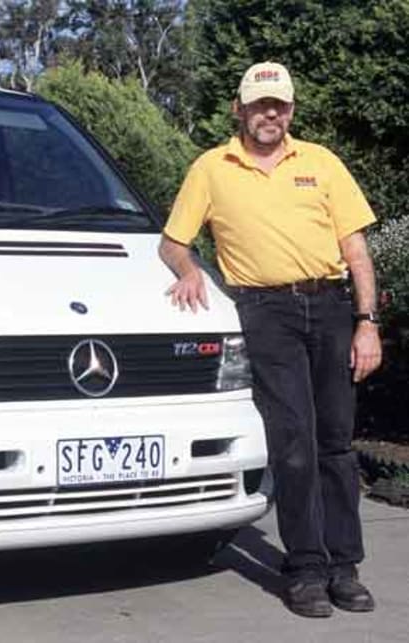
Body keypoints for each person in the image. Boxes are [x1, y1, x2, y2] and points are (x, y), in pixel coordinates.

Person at [158, 62, 382, 618]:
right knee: (293, 441)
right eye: (259, 105)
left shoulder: (322, 163)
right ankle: (305, 568)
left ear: (291, 110)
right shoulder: (212, 168)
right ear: (240, 109)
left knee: (335, 441)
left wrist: (367, 321)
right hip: (266, 312)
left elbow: (356, 252)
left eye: (278, 105)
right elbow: (171, 242)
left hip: (330, 307)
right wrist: (187, 270)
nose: (270, 114)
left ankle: (344, 567)